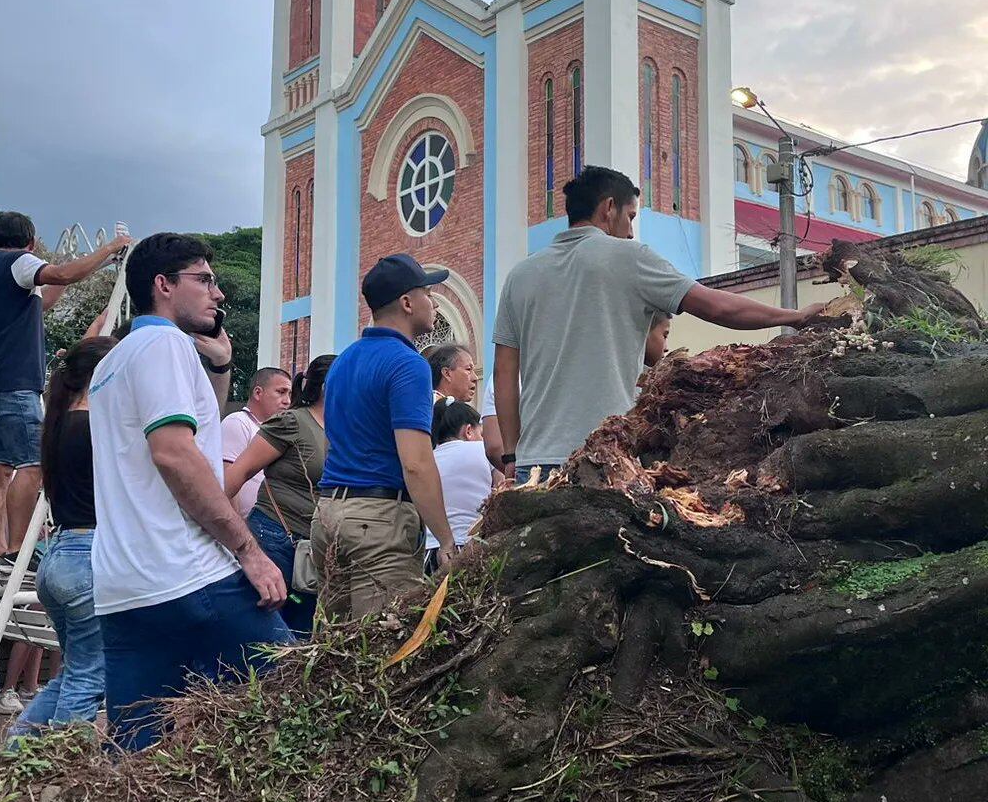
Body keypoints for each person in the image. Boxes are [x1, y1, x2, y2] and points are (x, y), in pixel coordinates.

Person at [493, 166, 826, 483]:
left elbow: (504, 373)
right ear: (609, 208)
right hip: (603, 456)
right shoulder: (628, 257)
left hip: (533, 464)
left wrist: (511, 455)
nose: (631, 231)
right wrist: (795, 317)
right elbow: (718, 307)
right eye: (631, 216)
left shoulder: (520, 276)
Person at [89, 233, 290, 752]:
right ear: (163, 285)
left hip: (125, 586)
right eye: (203, 280)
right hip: (188, 572)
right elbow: (175, 454)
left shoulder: (114, 360)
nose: (217, 293)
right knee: (298, 695)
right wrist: (249, 551)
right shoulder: (164, 344)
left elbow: (200, 433)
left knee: (135, 753)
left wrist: (220, 365)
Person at [0, 211, 131, 573]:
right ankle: (16, 550)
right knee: (33, 464)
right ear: (30, 243)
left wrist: (87, 269)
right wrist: (111, 249)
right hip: (14, 383)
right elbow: (62, 273)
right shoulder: (18, 261)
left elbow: (44, 300)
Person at [312, 253, 459, 622]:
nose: (434, 301)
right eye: (427, 292)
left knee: (336, 656)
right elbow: (416, 463)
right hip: (377, 525)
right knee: (382, 652)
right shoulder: (408, 364)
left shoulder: (343, 361)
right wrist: (444, 538)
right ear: (407, 303)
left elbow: (331, 444)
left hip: (329, 514)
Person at [8, 337, 116, 739]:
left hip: (60, 556)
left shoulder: (60, 423)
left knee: (75, 671)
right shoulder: (94, 427)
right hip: (87, 558)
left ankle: (19, 752)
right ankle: (64, 766)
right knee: (89, 677)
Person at [224, 354, 335, 636]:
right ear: (328, 385)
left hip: (313, 547)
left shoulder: (343, 429)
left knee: (300, 631)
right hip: (275, 538)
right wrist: (224, 533)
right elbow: (238, 473)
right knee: (263, 627)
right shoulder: (293, 422)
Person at [425, 398, 499, 573]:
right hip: (473, 546)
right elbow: (502, 490)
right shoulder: (484, 451)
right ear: (468, 431)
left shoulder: (428, 460)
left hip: (432, 550)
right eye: (480, 433)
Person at [220, 367, 293, 519]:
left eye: (289, 394)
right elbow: (227, 480)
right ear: (258, 393)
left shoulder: (273, 431)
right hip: (245, 527)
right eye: (281, 392)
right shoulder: (238, 422)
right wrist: (238, 531)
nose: (287, 401)